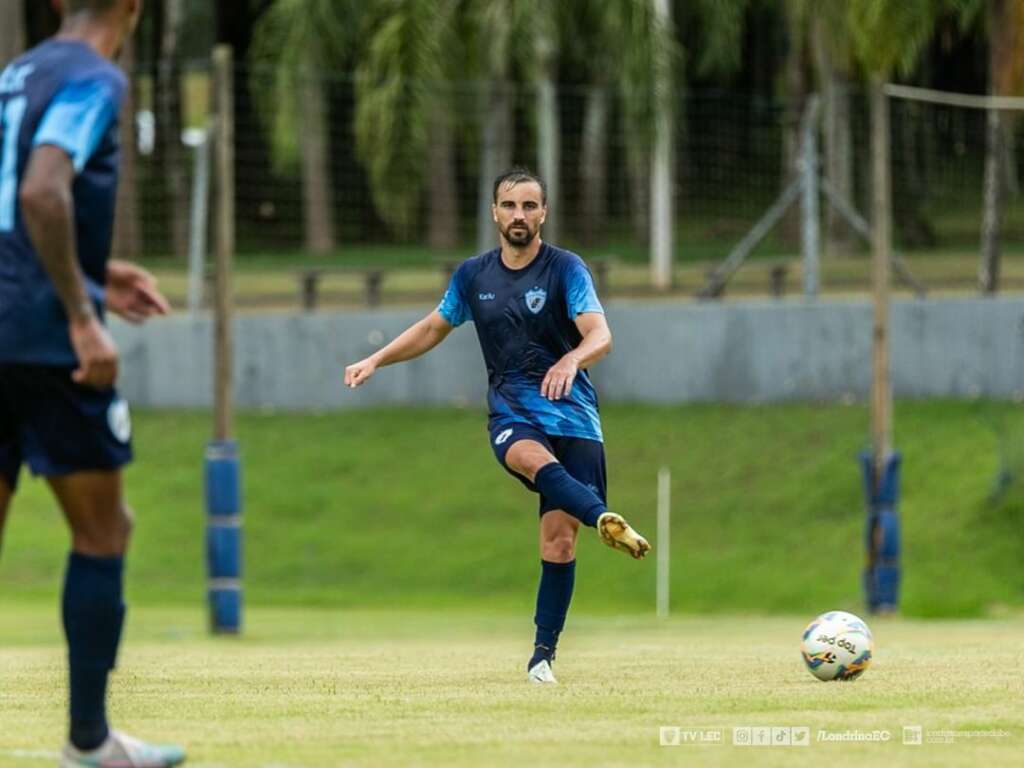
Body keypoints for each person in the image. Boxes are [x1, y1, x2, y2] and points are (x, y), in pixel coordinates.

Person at [344, 167, 650, 684]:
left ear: (543, 214)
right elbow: (431, 328)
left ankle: (541, 658)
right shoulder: (473, 276)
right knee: (530, 457)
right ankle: (603, 518)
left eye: (530, 206)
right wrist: (375, 359)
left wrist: (572, 360)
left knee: (558, 545)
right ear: (494, 212)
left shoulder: (566, 269)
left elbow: (600, 335)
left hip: (575, 417)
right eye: (509, 205)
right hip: (513, 412)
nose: (519, 216)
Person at [0, 1, 185, 765]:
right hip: (44, 347)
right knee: (104, 531)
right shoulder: (92, 78)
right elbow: (42, 192)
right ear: (133, 7)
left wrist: (93, 275)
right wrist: (82, 313)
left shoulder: (16, 74)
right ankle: (89, 743)